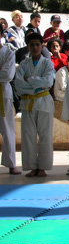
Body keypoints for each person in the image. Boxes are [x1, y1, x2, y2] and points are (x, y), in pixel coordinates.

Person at [16, 33, 54, 177]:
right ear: (28, 46)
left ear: (42, 46)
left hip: (43, 102)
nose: (35, 47)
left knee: (45, 135)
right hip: (27, 103)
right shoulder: (24, 64)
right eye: (32, 45)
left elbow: (48, 82)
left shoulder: (47, 63)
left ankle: (43, 167)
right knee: (28, 136)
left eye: (37, 44)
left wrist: (30, 80)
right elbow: (19, 85)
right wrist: (36, 85)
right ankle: (32, 167)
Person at [0, 24, 21, 175]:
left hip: (3, 93)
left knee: (7, 129)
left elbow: (7, 75)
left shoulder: (8, 52)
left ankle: (11, 163)